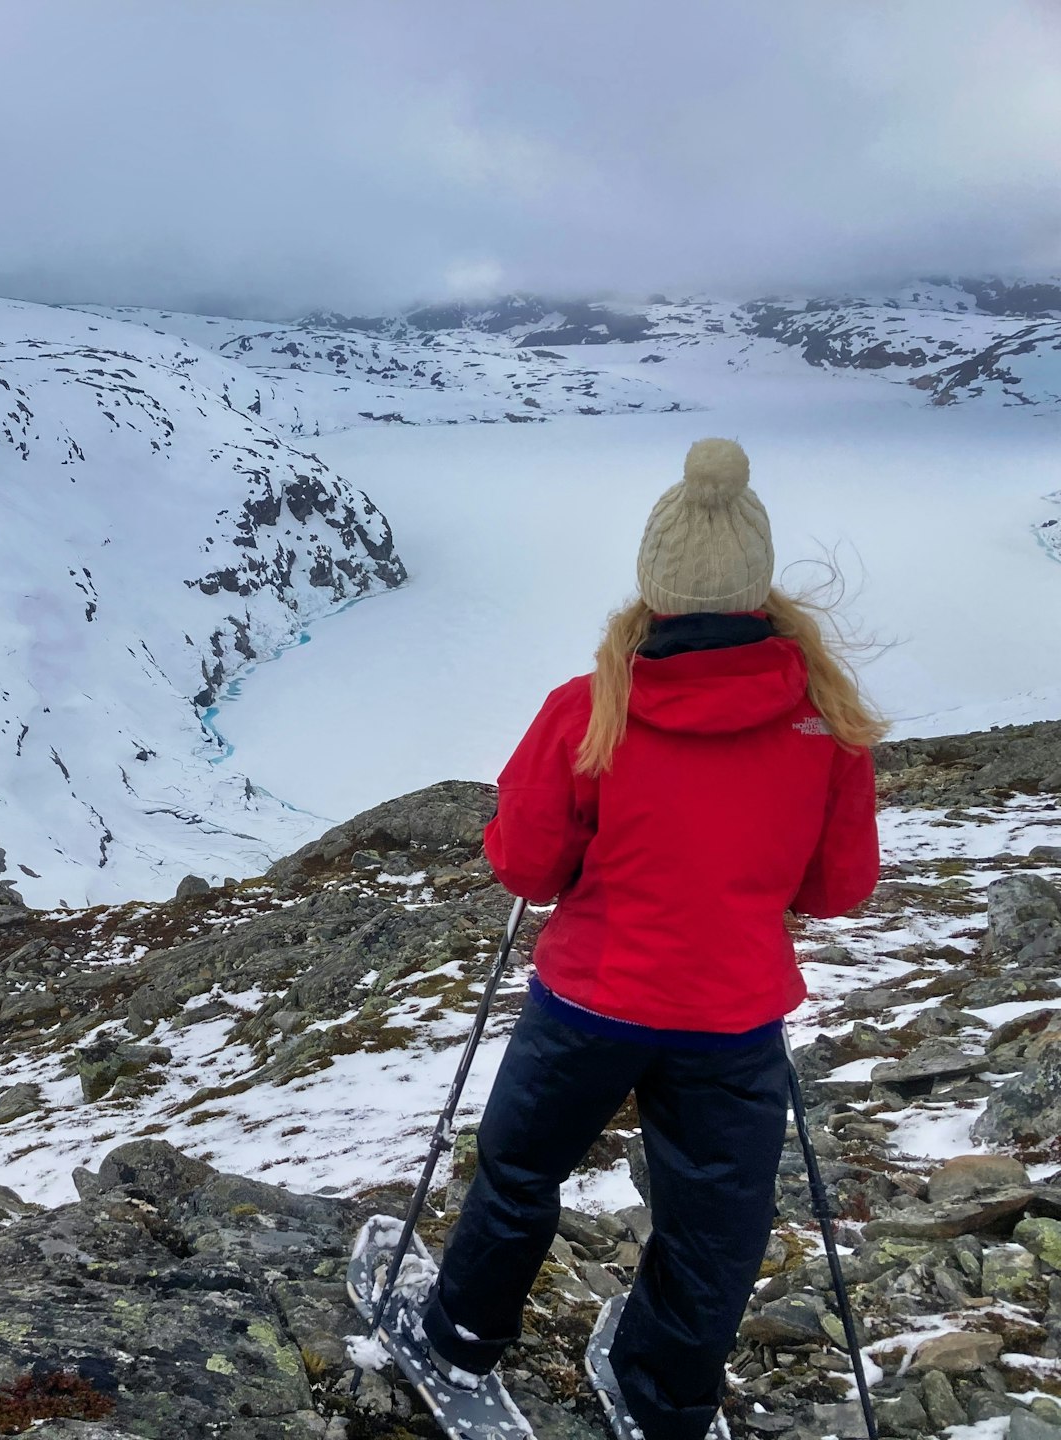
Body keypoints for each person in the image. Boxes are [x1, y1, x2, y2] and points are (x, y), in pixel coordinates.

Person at [419, 438, 883, 1440]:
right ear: (758, 592)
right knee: (715, 1226)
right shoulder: (824, 723)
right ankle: (666, 1397)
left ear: (655, 585)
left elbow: (528, 868)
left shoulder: (590, 710)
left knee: (520, 1170)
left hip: (589, 1001)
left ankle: (459, 1337)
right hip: (732, 1017)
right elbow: (840, 889)